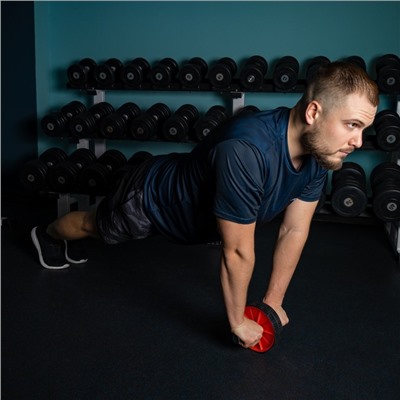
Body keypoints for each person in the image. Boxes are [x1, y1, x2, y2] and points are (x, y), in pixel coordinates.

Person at [31, 61, 379, 350]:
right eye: (352, 125)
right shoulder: (247, 149)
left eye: (364, 129)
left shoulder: (322, 154)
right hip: (150, 199)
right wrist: (238, 321)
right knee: (92, 226)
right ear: (314, 112)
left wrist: (273, 301)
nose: (358, 141)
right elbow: (238, 252)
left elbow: (294, 228)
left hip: (192, 215)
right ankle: (45, 233)